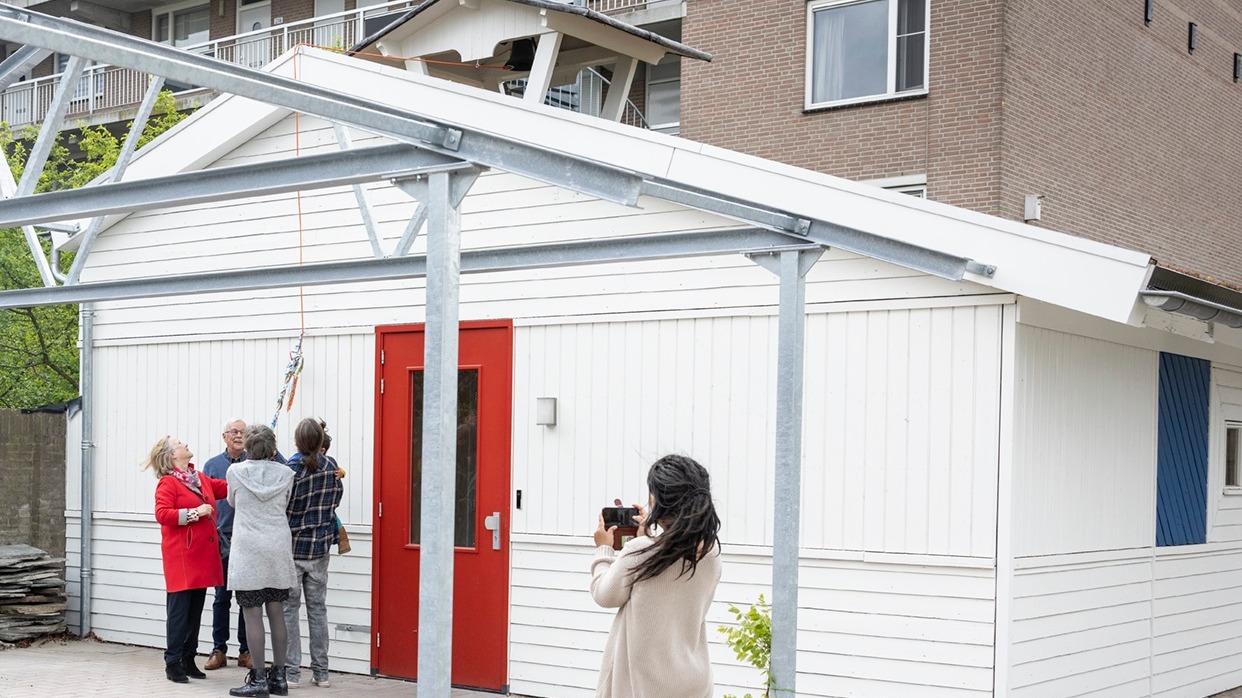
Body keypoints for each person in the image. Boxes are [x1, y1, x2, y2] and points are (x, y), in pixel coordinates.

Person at [589, 454, 723, 698]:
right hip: (693, 683)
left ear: (657, 500)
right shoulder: (711, 552)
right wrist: (649, 537)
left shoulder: (640, 553)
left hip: (643, 687)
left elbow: (604, 595)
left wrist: (604, 549)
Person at [142, 435, 227, 684]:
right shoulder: (168, 483)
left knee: (195, 610)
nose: (186, 444)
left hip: (201, 556)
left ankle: (188, 659)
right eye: (180, 443)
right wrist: (193, 513)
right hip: (181, 557)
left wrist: (251, 469)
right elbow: (162, 514)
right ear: (171, 456)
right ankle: (173, 662)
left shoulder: (199, 478)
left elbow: (226, 487)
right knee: (179, 612)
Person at [226, 424, 297, 697]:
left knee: (251, 612)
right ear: (273, 448)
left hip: (248, 549)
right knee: (277, 610)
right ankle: (279, 677)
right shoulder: (287, 474)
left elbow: (233, 502)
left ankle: (258, 679)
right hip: (277, 547)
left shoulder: (235, 472)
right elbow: (286, 502)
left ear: (247, 448)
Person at [282, 418, 343, 689]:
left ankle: (291, 673)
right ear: (321, 442)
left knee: (289, 611)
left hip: (292, 548)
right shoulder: (333, 468)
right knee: (318, 611)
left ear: (296, 442)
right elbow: (336, 501)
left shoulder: (289, 471)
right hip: (319, 548)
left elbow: (281, 507)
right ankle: (322, 673)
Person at [201, 418, 252, 671]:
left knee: (246, 598)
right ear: (225, 436)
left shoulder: (254, 464)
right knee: (221, 598)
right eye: (234, 431)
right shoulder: (212, 466)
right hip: (221, 539)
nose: (239, 435)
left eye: (243, 432)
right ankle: (219, 649)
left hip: (247, 539)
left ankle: (246, 651)